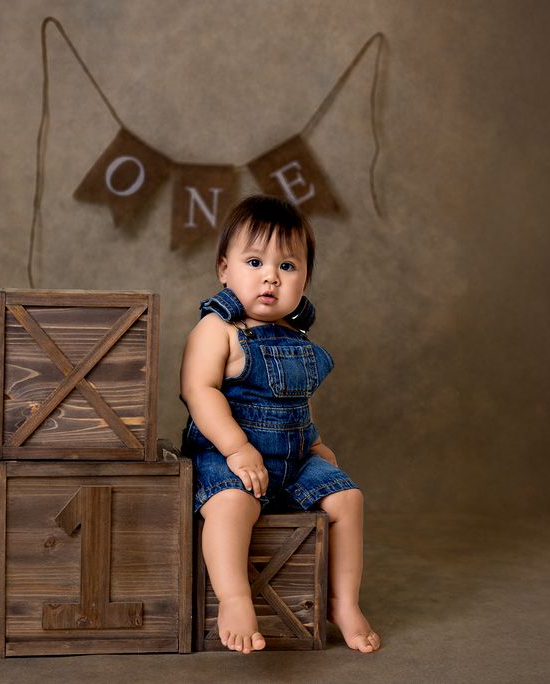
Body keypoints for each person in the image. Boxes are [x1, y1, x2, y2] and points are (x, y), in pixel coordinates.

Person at [180, 194, 380, 654]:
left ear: (305, 277)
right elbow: (200, 392)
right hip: (227, 457)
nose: (271, 276)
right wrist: (235, 447)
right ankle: (234, 599)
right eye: (254, 261)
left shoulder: (296, 337)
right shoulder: (217, 330)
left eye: (288, 267)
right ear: (224, 269)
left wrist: (316, 442)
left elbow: (296, 403)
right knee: (231, 507)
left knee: (348, 499)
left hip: (293, 457)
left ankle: (342, 601)